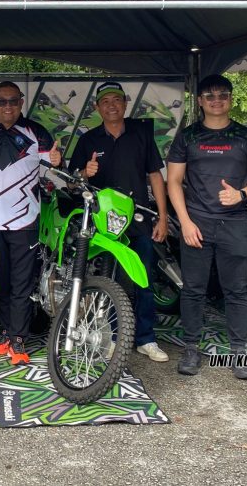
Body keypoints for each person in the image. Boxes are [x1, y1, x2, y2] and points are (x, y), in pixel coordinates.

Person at [166, 74, 247, 380]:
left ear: (230, 99)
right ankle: (191, 349)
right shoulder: (188, 137)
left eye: (223, 95)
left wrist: (241, 194)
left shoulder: (246, 137)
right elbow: (173, 181)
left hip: (235, 224)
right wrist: (185, 222)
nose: (216, 101)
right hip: (196, 223)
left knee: (236, 290)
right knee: (193, 290)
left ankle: (239, 351)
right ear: (200, 101)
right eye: (209, 96)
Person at [68, 82, 170, 362]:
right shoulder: (89, 140)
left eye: (116, 100)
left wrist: (162, 216)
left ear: (125, 103)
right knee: (105, 279)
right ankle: (109, 336)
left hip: (138, 220)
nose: (111, 105)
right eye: (105, 101)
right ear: (97, 107)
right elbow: (73, 183)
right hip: (102, 223)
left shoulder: (141, 136)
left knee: (143, 280)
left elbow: (155, 176)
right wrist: (85, 173)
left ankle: (146, 339)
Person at [0, 81, 61, 365]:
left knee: (22, 285)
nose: (8, 106)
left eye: (13, 101)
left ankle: (19, 340)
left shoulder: (37, 133)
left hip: (25, 222)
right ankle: (7, 334)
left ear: (22, 102)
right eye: (2, 101)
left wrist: (56, 162)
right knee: (3, 283)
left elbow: (53, 172)